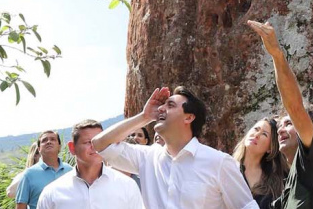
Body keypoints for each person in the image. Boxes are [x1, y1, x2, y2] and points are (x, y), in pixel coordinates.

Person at [92, 85, 258, 209]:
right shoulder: (147, 157)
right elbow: (100, 144)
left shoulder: (219, 162)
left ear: (189, 118)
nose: (161, 109)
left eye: (170, 105)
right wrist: (145, 116)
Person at [247, 19, 313, 209]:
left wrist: (277, 55)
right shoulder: (292, 182)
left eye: (288, 124)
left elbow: (294, 106)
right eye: (279, 126)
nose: (280, 130)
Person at [36, 119, 143, 208]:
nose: (95, 147)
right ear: (72, 148)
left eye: (101, 141)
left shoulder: (126, 186)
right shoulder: (52, 193)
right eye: (88, 142)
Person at [233, 118, 289, 209]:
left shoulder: (277, 180)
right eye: (256, 129)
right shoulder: (228, 167)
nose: (257, 135)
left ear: (270, 148)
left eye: (264, 134)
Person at [16, 130, 73, 209]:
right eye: (44, 140)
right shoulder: (29, 174)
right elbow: (21, 206)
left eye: (53, 139)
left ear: (59, 146)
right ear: (39, 149)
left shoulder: (70, 171)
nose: (49, 142)